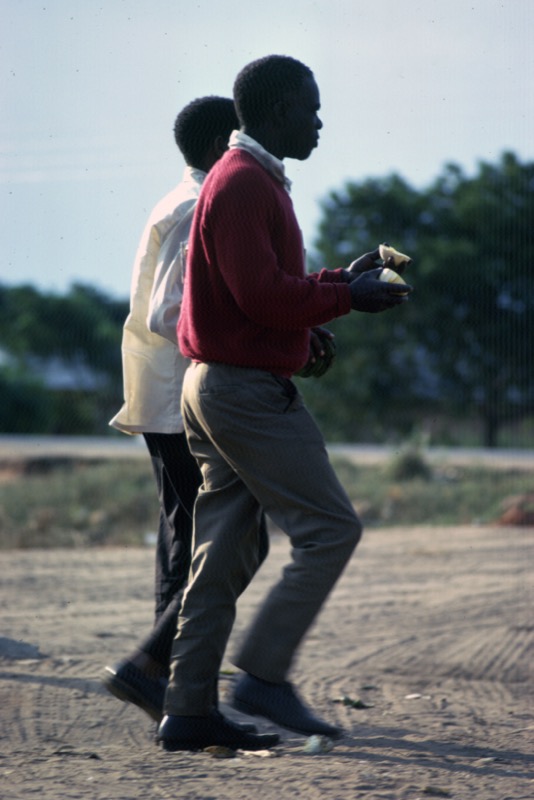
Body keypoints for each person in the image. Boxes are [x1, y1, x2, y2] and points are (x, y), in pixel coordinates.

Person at [157, 55, 412, 753]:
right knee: (331, 527)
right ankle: (264, 675)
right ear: (275, 113)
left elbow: (268, 286)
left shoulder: (248, 180)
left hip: (217, 382)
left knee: (223, 549)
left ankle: (186, 710)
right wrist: (343, 300)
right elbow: (263, 298)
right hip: (242, 391)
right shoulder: (244, 185)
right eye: (310, 108)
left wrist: (340, 281)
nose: (320, 120)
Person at [103, 96, 268, 726]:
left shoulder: (182, 199)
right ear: (221, 145)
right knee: (234, 539)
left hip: (169, 394)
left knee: (190, 538)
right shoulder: (199, 205)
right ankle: (153, 668)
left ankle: (171, 684)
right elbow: (169, 315)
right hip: (184, 398)